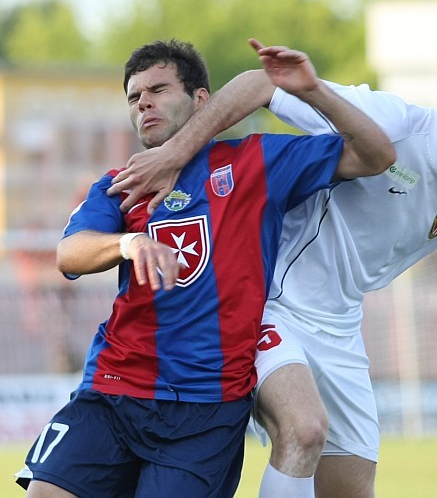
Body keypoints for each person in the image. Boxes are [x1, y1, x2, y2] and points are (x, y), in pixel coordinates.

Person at [107, 42, 437, 498]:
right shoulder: (391, 122)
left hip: (341, 329)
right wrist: (175, 153)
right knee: (303, 429)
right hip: (271, 305)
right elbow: (260, 83)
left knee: (351, 489)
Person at [15, 38, 394, 497]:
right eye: (134, 97)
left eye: (158, 89)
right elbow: (70, 254)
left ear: (201, 99)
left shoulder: (255, 162)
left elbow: (378, 155)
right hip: (114, 390)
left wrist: (313, 91)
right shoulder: (122, 183)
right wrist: (129, 242)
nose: (144, 103)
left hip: (205, 410)